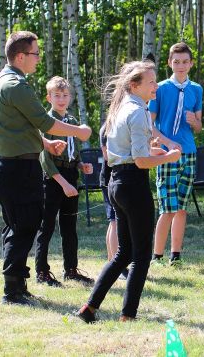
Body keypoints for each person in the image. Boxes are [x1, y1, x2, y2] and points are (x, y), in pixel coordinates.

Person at [0, 31, 91, 305]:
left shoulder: (2, 81)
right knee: (24, 226)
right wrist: (79, 132)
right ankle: (12, 291)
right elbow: (46, 121)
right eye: (35, 53)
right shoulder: (16, 86)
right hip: (18, 170)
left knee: (19, 226)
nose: (38, 59)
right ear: (20, 56)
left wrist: (44, 144)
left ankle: (17, 286)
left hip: (11, 166)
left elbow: (16, 126)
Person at [77, 60, 181, 323]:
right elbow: (141, 161)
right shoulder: (138, 111)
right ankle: (128, 315)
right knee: (142, 254)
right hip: (133, 184)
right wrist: (168, 158)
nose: (155, 85)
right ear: (135, 85)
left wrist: (155, 152)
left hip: (117, 183)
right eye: (151, 82)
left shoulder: (121, 108)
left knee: (124, 252)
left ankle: (89, 307)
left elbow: (132, 152)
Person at [35, 76, 95, 287]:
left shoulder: (71, 122)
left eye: (65, 95)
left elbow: (73, 152)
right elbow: (45, 159)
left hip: (70, 176)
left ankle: (71, 269)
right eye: (57, 95)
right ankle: (42, 271)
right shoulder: (46, 121)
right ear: (49, 97)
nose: (61, 99)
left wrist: (81, 166)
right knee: (47, 225)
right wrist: (63, 184)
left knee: (69, 226)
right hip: (53, 179)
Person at [150, 42, 203, 267]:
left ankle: (176, 255)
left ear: (191, 64)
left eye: (185, 62)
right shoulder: (160, 89)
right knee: (167, 207)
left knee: (181, 207)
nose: (180, 66)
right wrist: (167, 143)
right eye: (176, 61)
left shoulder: (196, 89)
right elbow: (149, 125)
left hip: (189, 153)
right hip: (166, 154)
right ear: (169, 63)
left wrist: (195, 121)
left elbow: (199, 127)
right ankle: (157, 256)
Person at [99, 121, 128, 280]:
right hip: (109, 179)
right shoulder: (108, 127)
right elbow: (107, 155)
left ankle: (113, 263)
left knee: (115, 221)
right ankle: (117, 265)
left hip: (117, 179)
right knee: (115, 221)